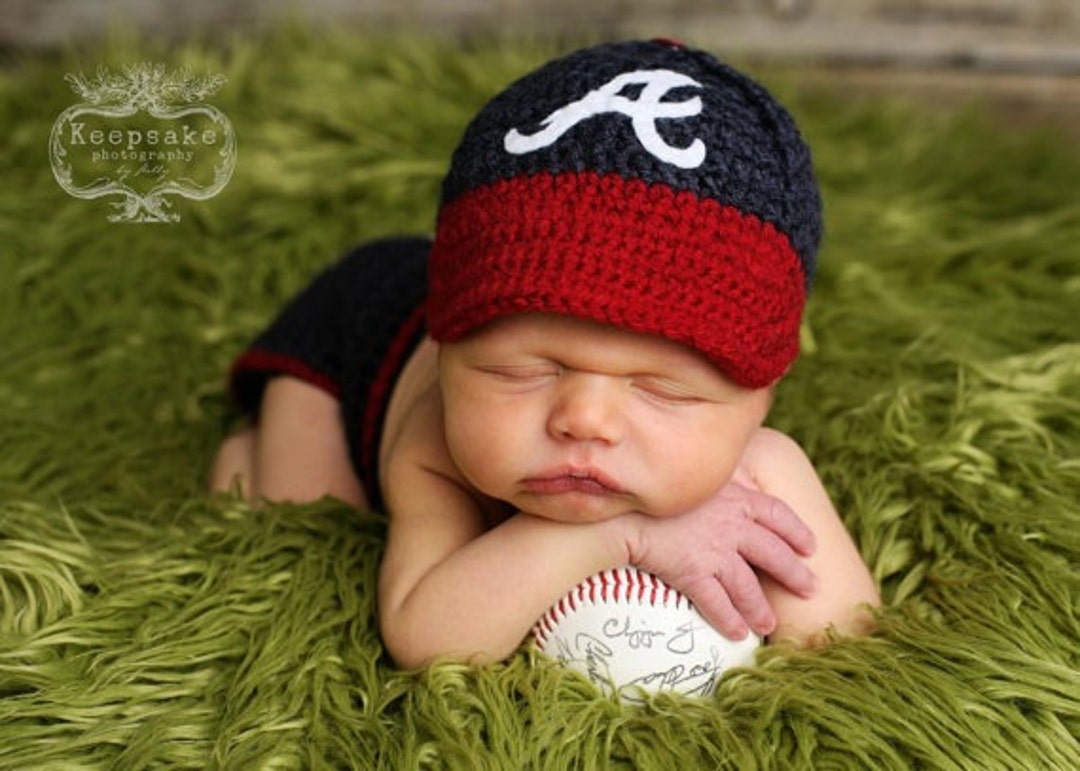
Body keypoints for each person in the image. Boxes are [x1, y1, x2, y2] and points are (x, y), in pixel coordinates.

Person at [210, 39, 880, 670]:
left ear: (762, 393)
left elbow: (841, 630)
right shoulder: (435, 442)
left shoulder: (758, 458)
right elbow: (426, 635)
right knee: (303, 517)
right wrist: (616, 538)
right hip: (348, 340)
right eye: (521, 370)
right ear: (447, 348)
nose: (584, 419)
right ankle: (248, 444)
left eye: (663, 389)